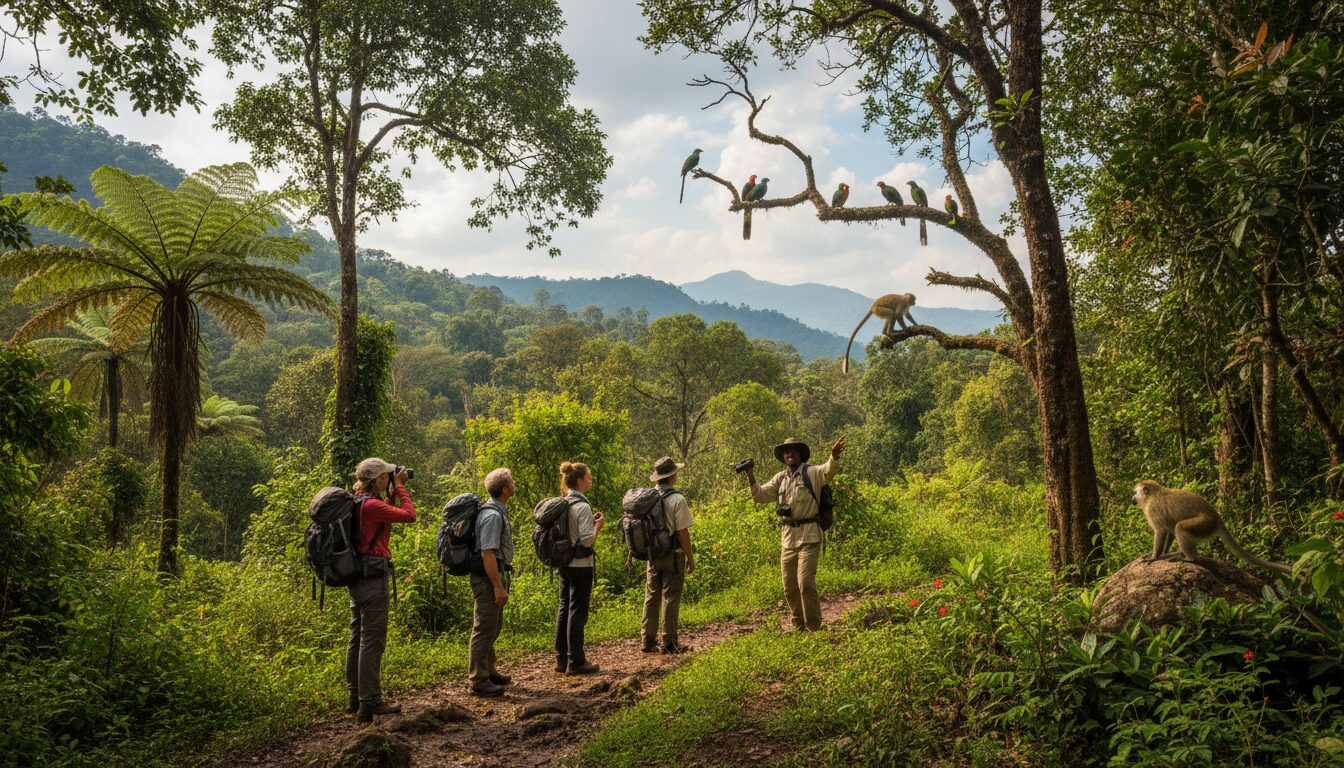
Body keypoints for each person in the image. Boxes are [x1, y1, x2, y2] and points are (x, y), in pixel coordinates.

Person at [745, 436, 845, 632]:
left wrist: (833, 455)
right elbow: (761, 495)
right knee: (790, 588)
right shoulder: (780, 478)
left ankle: (814, 627)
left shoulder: (812, 473)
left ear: (800, 454)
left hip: (810, 536)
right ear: (783, 457)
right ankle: (798, 624)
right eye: (786, 451)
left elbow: (828, 471)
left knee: (805, 583)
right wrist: (750, 474)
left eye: (793, 450)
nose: (789, 454)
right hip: (788, 539)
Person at [347, 458, 416, 722]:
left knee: (357, 637)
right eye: (386, 475)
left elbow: (380, 517)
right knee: (372, 641)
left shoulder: (358, 503)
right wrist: (400, 488)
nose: (390, 477)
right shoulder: (372, 505)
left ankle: (355, 697)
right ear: (378, 480)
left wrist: (391, 490)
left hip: (357, 576)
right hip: (373, 578)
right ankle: (369, 702)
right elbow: (409, 515)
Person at [468, 467, 515, 697]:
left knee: (493, 626)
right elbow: (487, 553)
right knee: (483, 627)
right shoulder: (492, 515)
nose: (514, 483)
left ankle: (489, 670)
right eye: (512, 481)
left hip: (495, 576)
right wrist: (497, 586)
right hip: (488, 578)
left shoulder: (497, 510)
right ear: (505, 489)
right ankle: (479, 679)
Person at [643, 456, 695, 654]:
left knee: (652, 596)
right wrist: (690, 558)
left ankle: (647, 640)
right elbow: (682, 532)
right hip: (672, 555)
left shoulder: (647, 498)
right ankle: (669, 642)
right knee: (671, 597)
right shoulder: (677, 499)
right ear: (672, 476)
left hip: (652, 555)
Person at [556, 461, 603, 674]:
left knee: (564, 608)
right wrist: (597, 527)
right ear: (579, 480)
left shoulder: (564, 503)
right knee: (577, 611)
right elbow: (586, 541)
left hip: (565, 563)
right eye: (589, 476)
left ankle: (561, 660)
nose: (591, 479)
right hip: (580, 565)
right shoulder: (582, 506)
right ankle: (576, 660)